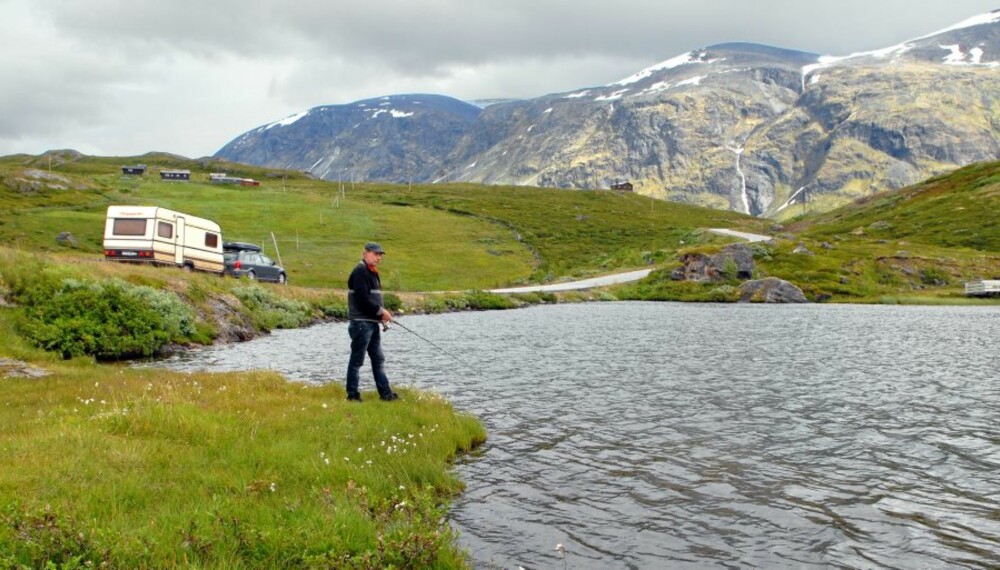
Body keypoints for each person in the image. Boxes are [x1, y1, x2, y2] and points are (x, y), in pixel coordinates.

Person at [345, 242, 398, 401]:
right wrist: (382, 312)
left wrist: (381, 318)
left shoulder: (371, 272)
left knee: (378, 359)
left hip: (371, 323)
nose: (378, 258)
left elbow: (372, 299)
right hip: (361, 324)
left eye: (380, 255)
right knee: (357, 361)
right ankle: (352, 396)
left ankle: (386, 394)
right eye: (376, 254)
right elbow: (362, 300)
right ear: (365, 253)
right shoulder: (360, 271)